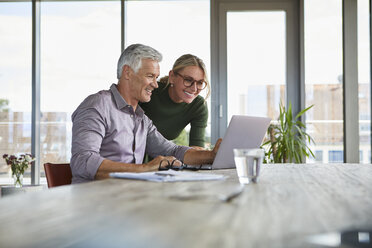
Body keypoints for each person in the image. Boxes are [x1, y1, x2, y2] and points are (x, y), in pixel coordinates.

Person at [70, 44, 221, 183]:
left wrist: (213, 155)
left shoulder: (141, 119)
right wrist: (144, 169)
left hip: (128, 198)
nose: (155, 84)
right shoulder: (97, 106)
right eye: (150, 76)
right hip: (95, 201)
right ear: (127, 72)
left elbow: (172, 150)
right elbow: (82, 161)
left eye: (156, 77)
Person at [140, 54, 210, 148]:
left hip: (161, 157)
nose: (194, 89)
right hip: (131, 154)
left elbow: (197, 147)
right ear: (172, 76)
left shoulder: (198, 106)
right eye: (188, 80)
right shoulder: (150, 92)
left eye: (200, 83)